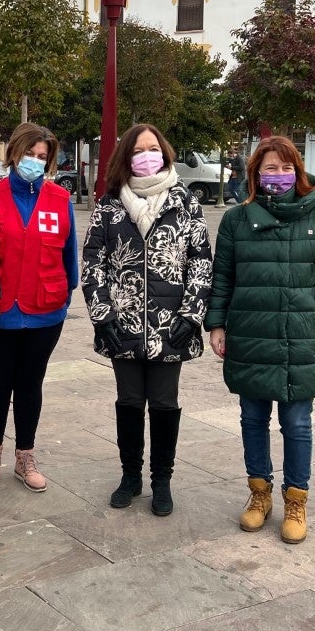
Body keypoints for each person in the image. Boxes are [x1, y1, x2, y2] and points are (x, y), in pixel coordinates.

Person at [205, 136, 315, 544]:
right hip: (250, 333)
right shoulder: (236, 220)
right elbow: (223, 278)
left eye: (286, 168)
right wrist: (217, 324)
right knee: (252, 419)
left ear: (298, 172)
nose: (279, 175)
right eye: (270, 168)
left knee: (296, 423)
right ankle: (259, 495)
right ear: (255, 173)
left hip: (301, 334)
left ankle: (296, 499)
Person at [81, 123, 213, 517]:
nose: (147, 155)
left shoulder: (185, 202)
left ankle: (162, 480)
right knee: (129, 401)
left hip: (170, 325)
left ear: (165, 152)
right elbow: (92, 262)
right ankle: (130, 475)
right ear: (127, 157)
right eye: (138, 150)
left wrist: (191, 314)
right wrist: (102, 313)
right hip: (122, 326)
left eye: (153, 148)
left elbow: (201, 261)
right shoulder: (109, 206)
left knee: (164, 403)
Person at [0, 123, 79, 491]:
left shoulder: (60, 199)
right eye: (29, 155)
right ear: (13, 154)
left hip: (45, 310)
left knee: (30, 384)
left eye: (43, 157)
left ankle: (25, 456)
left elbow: (70, 258)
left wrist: (65, 295)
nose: (35, 162)